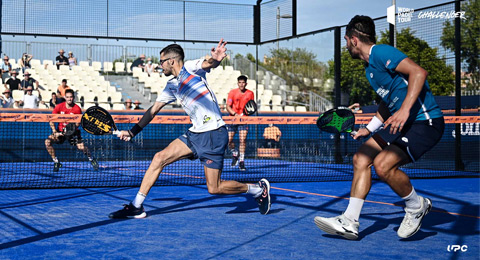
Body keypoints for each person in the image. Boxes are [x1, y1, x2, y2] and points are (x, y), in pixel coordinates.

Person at [314, 15, 445, 240]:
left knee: (383, 166)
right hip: (401, 123)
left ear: (354, 40)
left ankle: (416, 206)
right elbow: (388, 101)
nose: (346, 45)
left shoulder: (382, 52)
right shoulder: (369, 69)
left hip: (425, 122)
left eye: (346, 40)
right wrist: (371, 127)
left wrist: (404, 110)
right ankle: (350, 221)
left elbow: (419, 72)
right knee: (361, 158)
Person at [109, 40, 271, 219]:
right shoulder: (171, 86)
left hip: (213, 134)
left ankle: (257, 189)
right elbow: (153, 110)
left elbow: (209, 63)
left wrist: (216, 59)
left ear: (171, 61)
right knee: (159, 158)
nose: (159, 65)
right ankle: (136, 206)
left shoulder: (190, 68)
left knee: (214, 188)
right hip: (195, 134)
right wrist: (132, 132)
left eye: (162, 61)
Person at [45, 89, 99, 172]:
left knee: (82, 148)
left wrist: (69, 131)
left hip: (73, 133)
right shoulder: (59, 107)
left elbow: (78, 123)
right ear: (64, 97)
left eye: (71, 97)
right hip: (60, 131)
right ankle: (56, 162)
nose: (69, 99)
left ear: (73, 98)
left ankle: (91, 159)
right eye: (67, 97)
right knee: (47, 142)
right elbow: (51, 119)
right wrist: (55, 132)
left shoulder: (77, 109)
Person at [225, 75, 254, 171]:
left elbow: (251, 107)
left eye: (243, 82)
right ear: (238, 83)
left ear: (246, 83)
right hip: (232, 119)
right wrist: (235, 114)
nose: (241, 84)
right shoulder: (232, 92)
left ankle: (241, 161)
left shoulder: (250, 93)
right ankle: (235, 153)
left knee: (243, 140)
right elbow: (228, 106)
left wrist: (244, 115)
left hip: (244, 120)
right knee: (228, 140)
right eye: (240, 82)